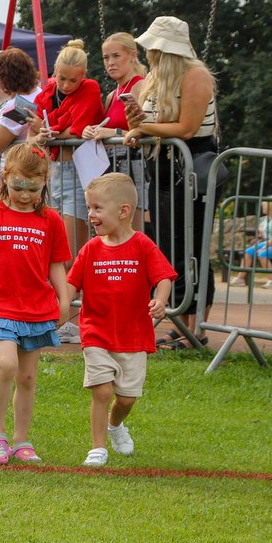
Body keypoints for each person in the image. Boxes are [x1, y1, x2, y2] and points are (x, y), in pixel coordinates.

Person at [0, 143, 71, 465]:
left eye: (33, 188)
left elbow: (56, 265)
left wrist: (64, 299)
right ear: (5, 177)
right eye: (18, 186)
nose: (24, 194)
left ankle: (21, 441)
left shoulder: (51, 220)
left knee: (28, 377)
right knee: (7, 364)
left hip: (35, 308)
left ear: (44, 183)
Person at [68, 173, 175, 467]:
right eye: (89, 208)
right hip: (96, 332)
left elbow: (163, 276)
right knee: (102, 390)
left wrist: (161, 300)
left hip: (133, 335)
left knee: (126, 398)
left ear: (123, 211)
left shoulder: (142, 245)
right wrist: (57, 310)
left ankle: (116, 425)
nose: (90, 215)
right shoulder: (90, 248)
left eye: (97, 208)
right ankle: (97, 448)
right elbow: (70, 283)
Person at [124, 16, 222, 340]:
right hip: (164, 169)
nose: (149, 51)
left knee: (191, 248)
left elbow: (187, 129)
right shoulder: (155, 77)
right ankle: (182, 325)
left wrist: (142, 127)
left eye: (153, 46)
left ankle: (197, 330)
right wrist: (136, 123)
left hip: (191, 166)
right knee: (168, 248)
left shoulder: (195, 75)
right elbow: (159, 125)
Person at [32, 39, 105, 258]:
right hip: (51, 170)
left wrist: (48, 132)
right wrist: (44, 133)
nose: (66, 85)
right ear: (55, 71)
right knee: (53, 246)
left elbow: (77, 130)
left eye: (73, 80)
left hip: (75, 170)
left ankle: (73, 291)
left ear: (84, 75)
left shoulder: (90, 88)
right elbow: (35, 129)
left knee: (71, 250)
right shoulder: (47, 92)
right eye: (62, 78)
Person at [81, 33, 150, 230]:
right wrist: (91, 130)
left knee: (133, 230)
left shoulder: (141, 86)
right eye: (106, 57)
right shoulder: (112, 95)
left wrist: (112, 132)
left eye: (116, 56)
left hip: (135, 167)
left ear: (132, 55)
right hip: (113, 169)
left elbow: (145, 129)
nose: (110, 63)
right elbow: (106, 127)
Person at [230, 201, 272, 288]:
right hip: (269, 242)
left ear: (270, 206)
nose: (263, 207)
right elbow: (263, 230)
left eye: (264, 206)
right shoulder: (266, 218)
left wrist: (265, 246)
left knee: (262, 254)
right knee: (248, 252)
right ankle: (240, 279)